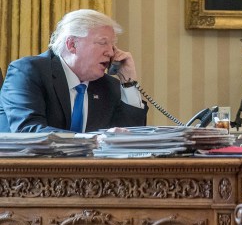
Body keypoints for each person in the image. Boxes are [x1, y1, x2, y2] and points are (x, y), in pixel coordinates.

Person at [0, 9, 148, 133]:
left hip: (90, 169)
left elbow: (131, 139)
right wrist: (90, 140)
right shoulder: (28, 72)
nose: (110, 52)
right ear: (72, 45)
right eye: (103, 43)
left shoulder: (108, 86)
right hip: (24, 167)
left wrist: (129, 84)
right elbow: (28, 131)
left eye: (112, 45)